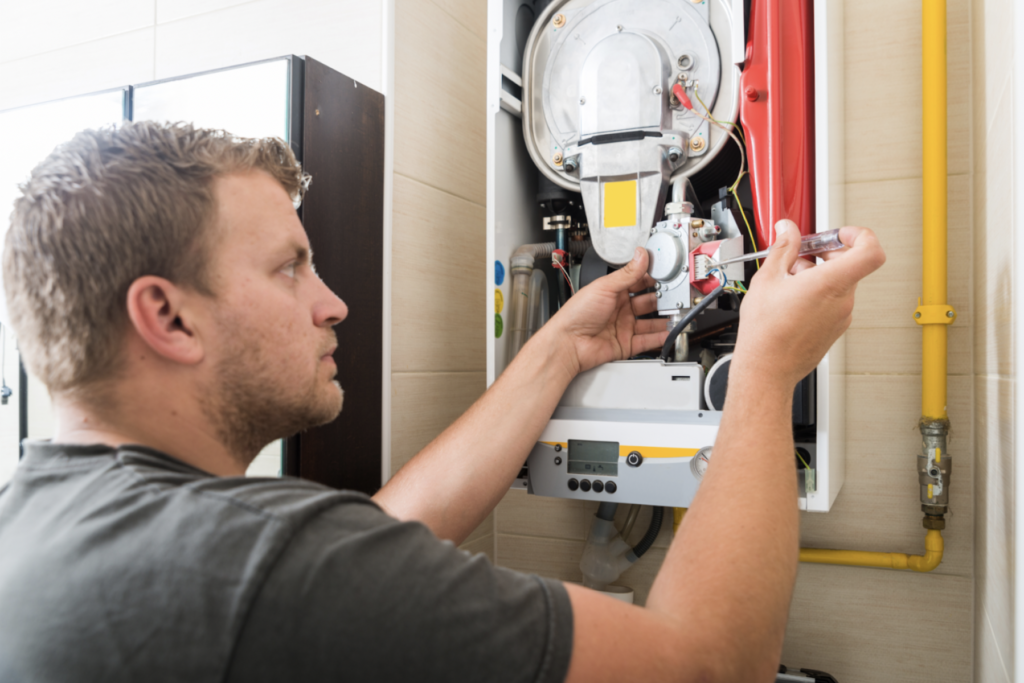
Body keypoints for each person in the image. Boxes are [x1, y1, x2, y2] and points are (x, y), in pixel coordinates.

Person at [0, 121, 884, 682]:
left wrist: (559, 351)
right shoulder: (253, 563)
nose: (333, 302)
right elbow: (713, 668)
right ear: (166, 314)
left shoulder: (46, 521)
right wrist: (767, 367)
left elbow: (385, 533)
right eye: (290, 266)